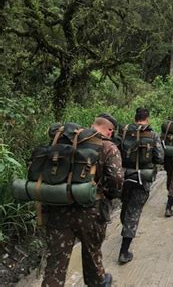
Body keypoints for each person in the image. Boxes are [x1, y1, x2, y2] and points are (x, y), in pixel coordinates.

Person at [42, 115, 123, 287]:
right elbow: (116, 179)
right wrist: (108, 194)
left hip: (58, 207)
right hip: (90, 212)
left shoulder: (64, 140)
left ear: (92, 125)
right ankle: (98, 282)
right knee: (92, 253)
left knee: (56, 261)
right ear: (110, 130)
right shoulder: (108, 147)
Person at [118, 108, 164, 264]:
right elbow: (160, 158)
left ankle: (125, 227)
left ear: (134, 118)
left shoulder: (123, 132)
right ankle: (124, 251)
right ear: (148, 119)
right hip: (142, 179)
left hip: (124, 176)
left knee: (125, 204)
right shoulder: (153, 135)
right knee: (134, 211)